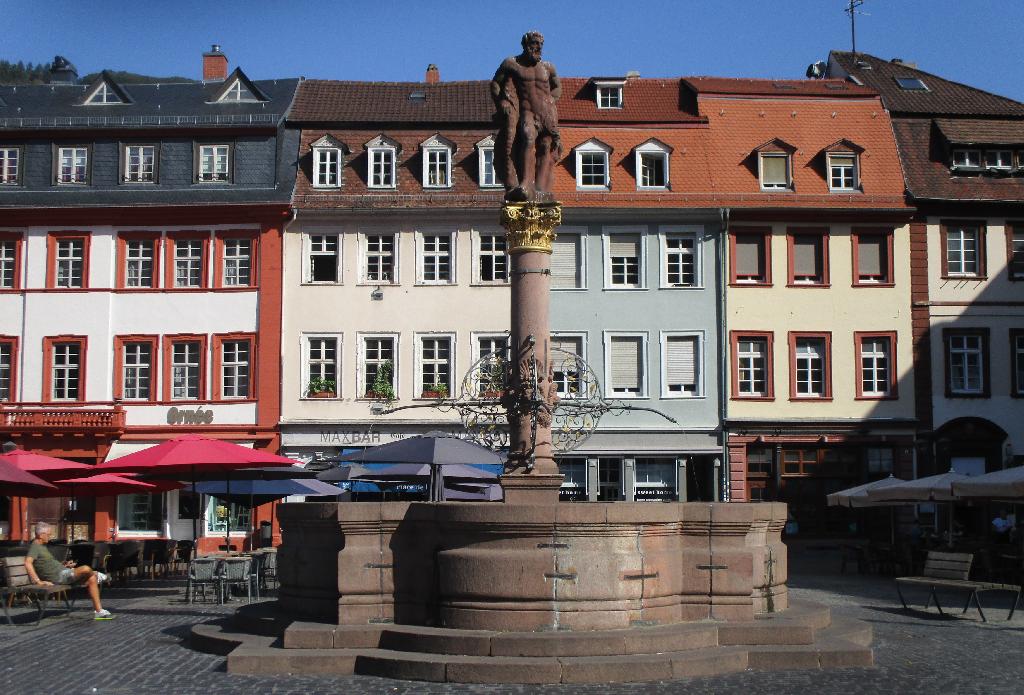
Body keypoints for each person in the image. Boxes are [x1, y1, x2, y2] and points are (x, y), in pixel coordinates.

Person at [490, 30, 562, 202]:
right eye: (534, 44)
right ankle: (525, 182)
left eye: (540, 45)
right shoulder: (512, 64)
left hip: (546, 112)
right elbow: (495, 84)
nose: (538, 48)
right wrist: (502, 102)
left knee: (546, 145)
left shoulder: (548, 68)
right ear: (525, 45)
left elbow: (557, 87)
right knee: (528, 138)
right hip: (527, 111)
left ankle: (541, 187)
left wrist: (551, 102)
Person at [24, 521, 113, 620]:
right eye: (48, 534)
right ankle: (98, 575)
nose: (50, 536)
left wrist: (64, 565)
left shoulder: (42, 546)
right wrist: (38, 581)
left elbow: (47, 564)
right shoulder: (35, 547)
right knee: (86, 568)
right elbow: (28, 563)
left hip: (63, 572)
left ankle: (99, 611)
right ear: (41, 535)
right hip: (59, 577)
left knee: (91, 578)